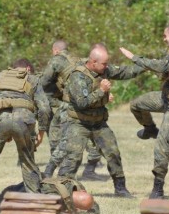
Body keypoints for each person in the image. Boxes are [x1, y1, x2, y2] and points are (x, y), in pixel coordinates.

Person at [119, 22, 169, 199]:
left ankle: (158, 189)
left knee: (161, 145)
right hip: (165, 97)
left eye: (165, 36)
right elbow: (160, 64)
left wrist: (134, 57)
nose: (163, 39)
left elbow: (162, 67)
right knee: (136, 104)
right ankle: (150, 129)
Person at [57, 45, 144, 197]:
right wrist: (102, 91)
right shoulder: (77, 76)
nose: (107, 66)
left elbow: (125, 72)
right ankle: (61, 189)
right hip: (79, 123)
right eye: (104, 63)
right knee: (73, 157)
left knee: (113, 153)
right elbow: (81, 103)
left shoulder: (104, 70)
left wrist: (147, 65)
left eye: (107, 63)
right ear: (93, 62)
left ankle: (121, 188)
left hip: (98, 123)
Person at [0, 58, 52, 214]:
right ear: (28, 69)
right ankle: (35, 204)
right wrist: (41, 131)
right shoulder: (32, 79)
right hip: (24, 121)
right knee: (27, 163)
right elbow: (44, 108)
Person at [39, 40, 105, 181]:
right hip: (82, 102)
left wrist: (52, 96)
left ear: (55, 50)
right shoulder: (78, 60)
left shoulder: (57, 60)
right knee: (90, 135)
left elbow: (44, 82)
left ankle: (50, 172)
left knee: (63, 138)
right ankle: (89, 168)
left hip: (67, 105)